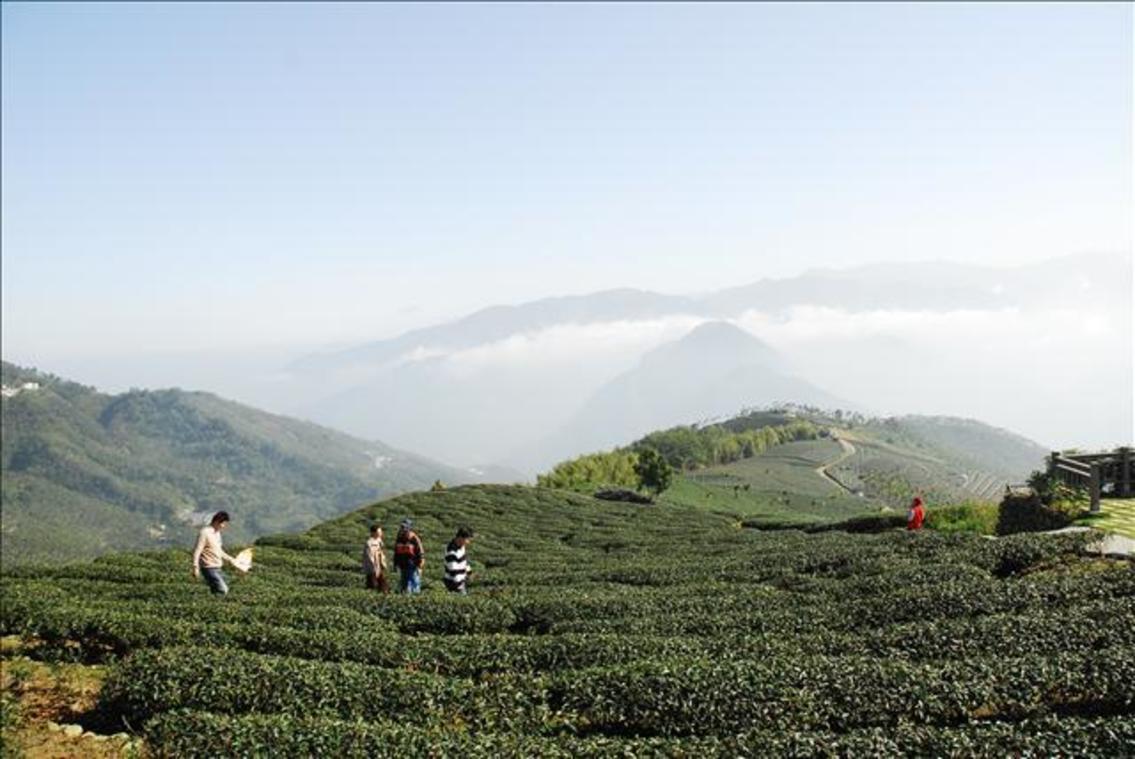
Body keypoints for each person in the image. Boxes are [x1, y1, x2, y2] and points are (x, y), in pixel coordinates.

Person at [191, 511, 242, 595]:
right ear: (217, 521)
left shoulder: (217, 533)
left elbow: (219, 551)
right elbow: (197, 550)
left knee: (218, 589)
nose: (224, 526)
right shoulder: (205, 533)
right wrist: (195, 567)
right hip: (208, 568)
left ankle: (214, 603)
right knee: (223, 589)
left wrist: (231, 559)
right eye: (223, 523)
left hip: (218, 567)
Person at [393, 518, 424, 594]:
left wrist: (420, 565)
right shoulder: (399, 538)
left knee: (413, 583)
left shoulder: (414, 538)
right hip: (403, 565)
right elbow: (396, 552)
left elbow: (420, 553)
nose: (403, 529)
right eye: (402, 527)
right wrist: (395, 564)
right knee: (404, 583)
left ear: (409, 528)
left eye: (405, 527)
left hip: (412, 565)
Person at [443, 527, 475, 594]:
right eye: (467, 539)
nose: (468, 542)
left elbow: (464, 561)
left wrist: (469, 572)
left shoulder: (461, 546)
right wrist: (459, 586)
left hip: (461, 580)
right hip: (453, 583)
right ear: (460, 538)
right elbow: (454, 571)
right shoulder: (451, 551)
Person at [362, 524, 389, 593]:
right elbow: (370, 557)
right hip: (372, 568)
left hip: (380, 567)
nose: (380, 533)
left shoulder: (379, 541)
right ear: (373, 533)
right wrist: (375, 568)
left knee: (383, 586)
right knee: (372, 585)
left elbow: (382, 552)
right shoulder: (369, 543)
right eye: (379, 532)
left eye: (381, 532)